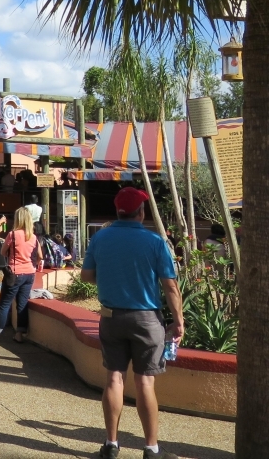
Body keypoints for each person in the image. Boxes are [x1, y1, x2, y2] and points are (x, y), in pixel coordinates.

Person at [81, 187, 183, 459]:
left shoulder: (100, 238)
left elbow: (87, 276)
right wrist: (179, 321)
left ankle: (111, 445)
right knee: (145, 383)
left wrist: (110, 280)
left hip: (111, 316)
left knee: (114, 378)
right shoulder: (154, 241)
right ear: (142, 212)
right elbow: (170, 286)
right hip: (147, 320)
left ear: (118, 211)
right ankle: (151, 449)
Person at [0, 206, 42, 342]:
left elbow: (2, 252)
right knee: (22, 304)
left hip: (14, 273)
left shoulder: (13, 234)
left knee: (5, 303)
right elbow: (40, 256)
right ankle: (20, 333)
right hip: (29, 273)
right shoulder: (33, 237)